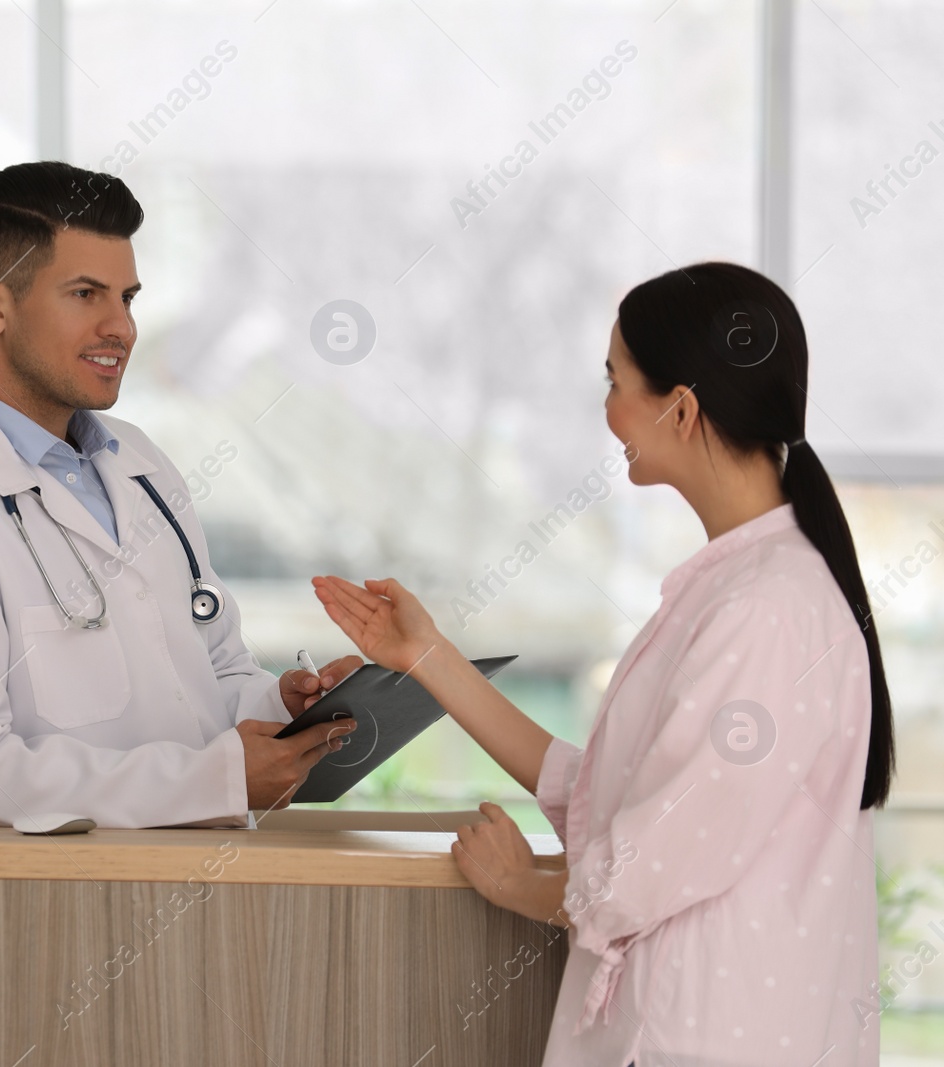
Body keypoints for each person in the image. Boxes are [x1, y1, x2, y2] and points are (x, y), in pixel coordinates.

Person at [314, 262, 887, 1065]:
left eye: (615, 381)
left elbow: (643, 868)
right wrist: (427, 656)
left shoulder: (765, 607)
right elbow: (611, 797)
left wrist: (519, 886)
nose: (609, 412)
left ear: (680, 408)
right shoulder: (743, 585)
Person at [0, 161, 358, 829]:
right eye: (87, 294)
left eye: (128, 297)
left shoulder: (139, 463)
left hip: (217, 893)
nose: (122, 327)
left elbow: (210, 673)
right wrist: (214, 779)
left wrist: (283, 711)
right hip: (69, 913)